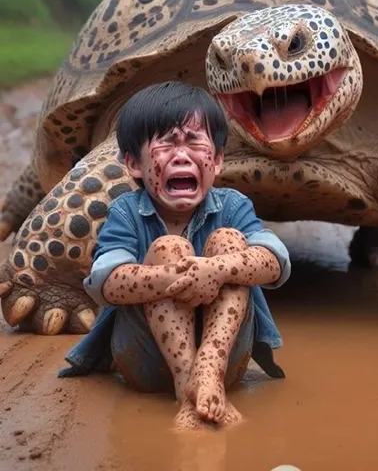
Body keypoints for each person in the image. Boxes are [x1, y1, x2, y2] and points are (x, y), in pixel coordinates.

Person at [58, 81, 291, 430]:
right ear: (134, 163)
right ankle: (188, 389)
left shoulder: (233, 205)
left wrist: (215, 269)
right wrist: (177, 276)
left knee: (230, 241)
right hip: (146, 362)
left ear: (217, 160)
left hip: (227, 363)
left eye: (195, 141)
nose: (181, 154)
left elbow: (275, 261)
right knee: (170, 248)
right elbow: (105, 282)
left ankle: (208, 370)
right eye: (166, 142)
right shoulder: (125, 212)